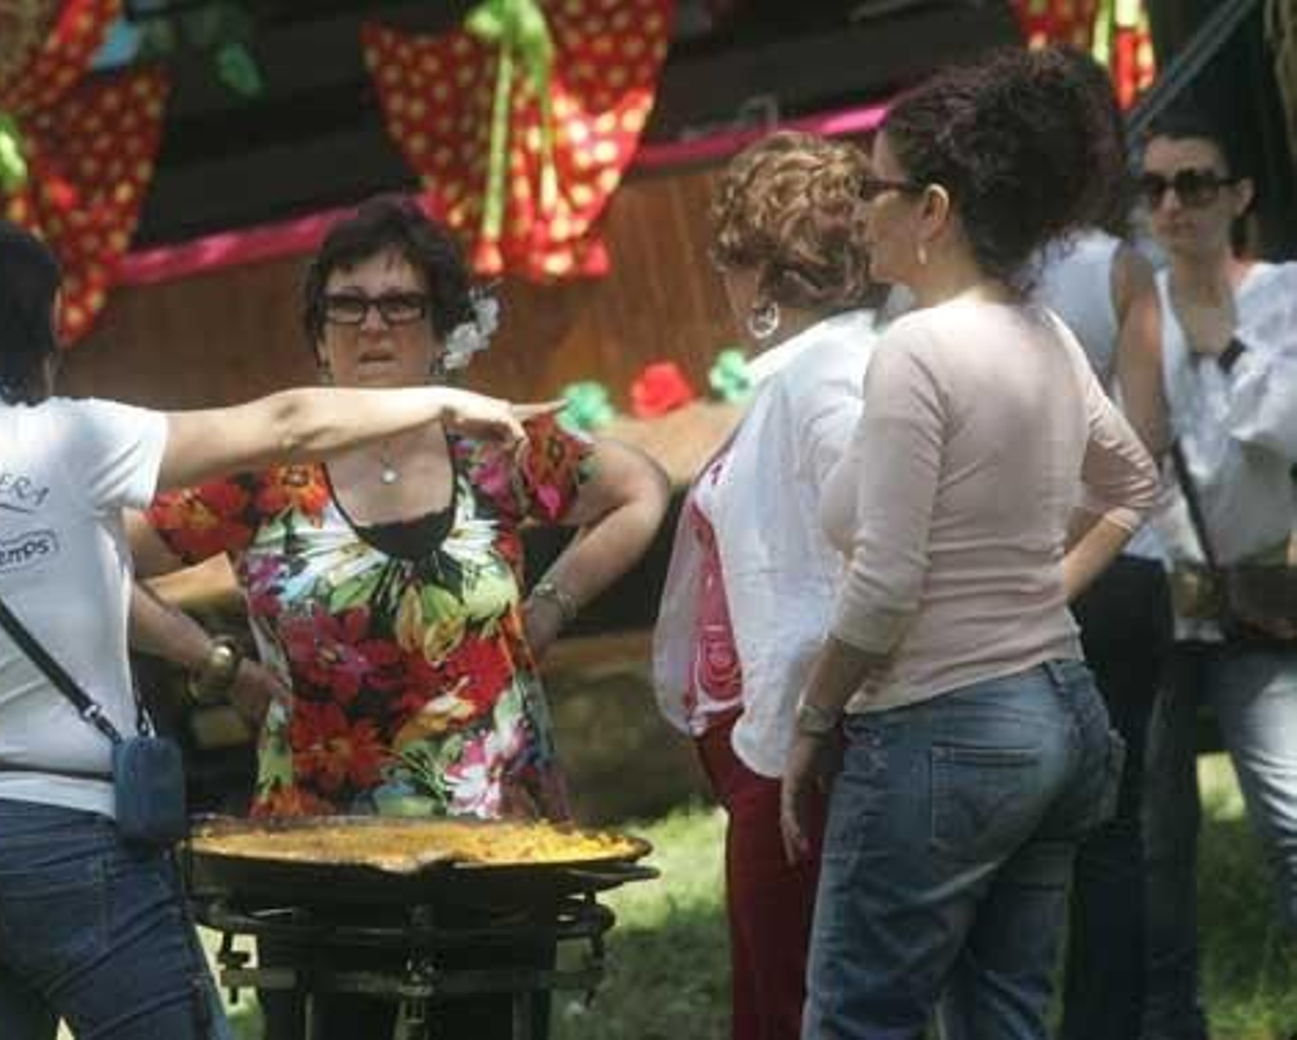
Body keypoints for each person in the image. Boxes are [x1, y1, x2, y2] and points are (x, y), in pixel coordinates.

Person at [0, 214, 534, 1040]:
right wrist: (444, 396)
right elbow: (285, 425)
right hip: (69, 836)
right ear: (30, 329)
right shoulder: (67, 438)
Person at [131, 195, 670, 1040]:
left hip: (496, 850)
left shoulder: (497, 450)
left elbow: (642, 488)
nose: (371, 326)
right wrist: (213, 664)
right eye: (346, 305)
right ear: (318, 334)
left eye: (399, 304)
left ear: (441, 327)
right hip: (317, 861)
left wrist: (552, 607)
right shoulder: (264, 474)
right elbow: (89, 559)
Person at [778, 48, 1160, 1037]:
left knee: (858, 1019)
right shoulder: (1041, 331)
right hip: (1058, 715)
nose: (857, 208)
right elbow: (1130, 484)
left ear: (933, 209)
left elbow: (884, 586)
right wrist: (1043, 592)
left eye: (873, 188)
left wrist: (811, 719)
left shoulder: (915, 348)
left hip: (939, 729)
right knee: (1005, 1019)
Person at [649, 129, 882, 1040]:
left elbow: (880, 545)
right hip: (774, 748)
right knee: (780, 1003)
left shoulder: (828, 375)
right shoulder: (800, 375)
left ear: (761, 270)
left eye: (726, 257)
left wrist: (808, 723)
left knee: (800, 1013)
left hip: (807, 751)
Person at [1138, 108, 1297, 1040]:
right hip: (1162, 605)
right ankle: (1170, 1026)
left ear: (1237, 196)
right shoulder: (1134, 305)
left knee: (1289, 817)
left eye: (1195, 183)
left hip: (1264, 598)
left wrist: (1223, 343)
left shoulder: (1282, 292)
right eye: (1154, 188)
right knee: (1157, 848)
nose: (1173, 205)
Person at [1033, 51, 1175, 1040]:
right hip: (1119, 568)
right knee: (1111, 828)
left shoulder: (970, 275)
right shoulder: (1122, 270)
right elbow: (1147, 442)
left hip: (1003, 578)